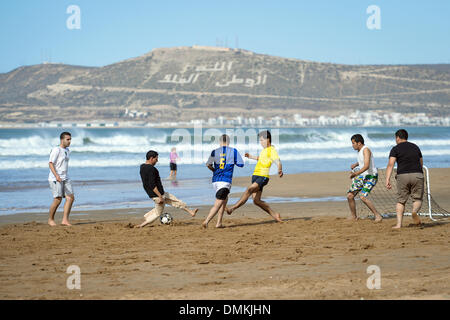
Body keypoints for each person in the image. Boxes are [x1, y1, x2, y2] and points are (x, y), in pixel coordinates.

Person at [226, 130, 283, 222]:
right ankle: (275, 215)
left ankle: (232, 209)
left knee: (249, 189)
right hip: (255, 175)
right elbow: (260, 159)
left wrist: (279, 170)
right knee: (256, 201)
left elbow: (278, 161)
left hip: (263, 176)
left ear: (268, 140)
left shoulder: (272, 150)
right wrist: (250, 156)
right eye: (259, 140)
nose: (260, 143)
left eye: (262, 140)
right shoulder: (264, 150)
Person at [136, 150, 198, 228]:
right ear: (151, 158)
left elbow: (146, 183)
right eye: (156, 159)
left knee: (175, 201)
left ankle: (191, 212)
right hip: (157, 194)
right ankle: (142, 224)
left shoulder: (142, 167)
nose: (157, 161)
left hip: (158, 193)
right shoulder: (152, 169)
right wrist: (160, 197)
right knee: (158, 213)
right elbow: (152, 185)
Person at [202, 134, 244, 228]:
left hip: (215, 181)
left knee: (224, 199)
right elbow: (241, 164)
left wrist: (215, 170)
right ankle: (206, 221)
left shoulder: (215, 151)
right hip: (225, 181)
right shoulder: (233, 151)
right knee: (218, 203)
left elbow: (208, 164)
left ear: (220, 142)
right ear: (228, 142)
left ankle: (219, 223)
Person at [385, 129, 424, 229]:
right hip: (417, 174)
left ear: (397, 137)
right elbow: (421, 162)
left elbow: (390, 164)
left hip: (402, 176)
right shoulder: (415, 147)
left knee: (401, 201)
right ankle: (414, 211)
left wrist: (387, 179)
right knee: (417, 198)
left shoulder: (395, 148)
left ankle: (399, 224)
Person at [346, 134, 383, 222]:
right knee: (350, 196)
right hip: (362, 176)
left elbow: (366, 166)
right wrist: (356, 164)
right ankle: (354, 216)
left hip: (371, 176)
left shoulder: (366, 150)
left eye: (353, 143)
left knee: (362, 196)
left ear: (359, 143)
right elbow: (363, 160)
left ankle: (378, 215)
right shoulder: (359, 151)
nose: (352, 145)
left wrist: (355, 174)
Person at [48, 132, 75, 226]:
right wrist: (56, 176)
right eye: (67, 139)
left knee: (70, 198)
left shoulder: (67, 150)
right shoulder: (56, 149)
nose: (69, 141)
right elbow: (50, 163)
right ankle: (50, 219)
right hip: (56, 178)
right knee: (58, 199)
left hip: (65, 177)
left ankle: (65, 220)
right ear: (62, 139)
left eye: (70, 139)